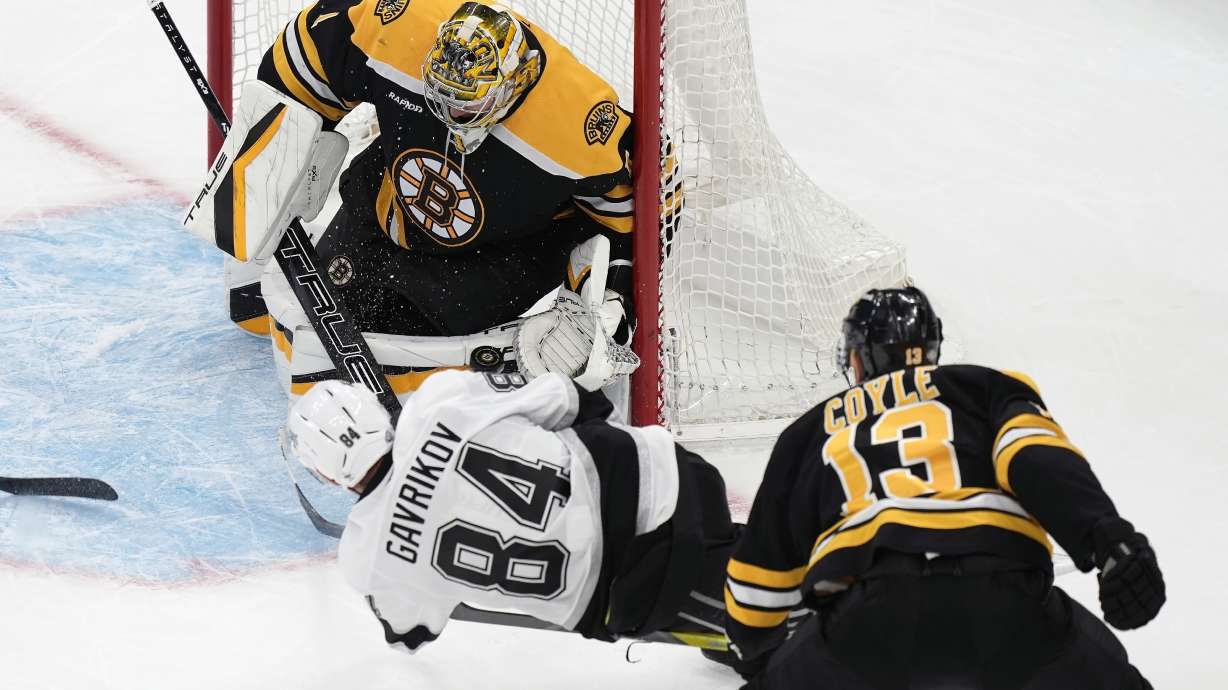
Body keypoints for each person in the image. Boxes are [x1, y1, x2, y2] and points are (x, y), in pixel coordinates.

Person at [199, 0, 664, 398]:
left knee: (392, 359)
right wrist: (271, 167)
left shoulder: (576, 124)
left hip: (488, 261)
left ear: (512, 87)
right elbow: (306, 55)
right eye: (438, 95)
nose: (446, 113)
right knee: (317, 322)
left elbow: (652, 200)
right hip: (387, 212)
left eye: (464, 105)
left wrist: (608, 299)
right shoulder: (401, 27)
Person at [724, 287, 1165, 689]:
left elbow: (757, 583)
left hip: (868, 618)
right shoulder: (987, 386)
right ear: (932, 347)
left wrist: (757, 653)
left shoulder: (808, 431)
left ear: (857, 358)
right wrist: (1110, 543)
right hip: (1006, 599)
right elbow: (1036, 458)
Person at [283, 368, 737, 653]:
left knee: (767, 628)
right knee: (758, 568)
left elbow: (410, 634)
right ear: (377, 413)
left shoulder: (366, 559)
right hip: (672, 474)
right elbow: (570, 397)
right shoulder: (437, 401)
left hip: (643, 584)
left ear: (327, 477)